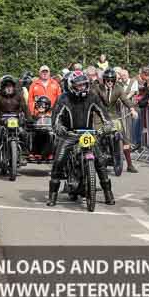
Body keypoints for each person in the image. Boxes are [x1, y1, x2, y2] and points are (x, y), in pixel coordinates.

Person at [46, 72, 115, 207]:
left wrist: (105, 128)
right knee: (58, 161)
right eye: (79, 85)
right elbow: (56, 119)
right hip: (69, 134)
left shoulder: (92, 97)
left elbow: (105, 116)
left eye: (84, 84)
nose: (82, 87)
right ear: (72, 86)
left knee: (100, 161)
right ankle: (52, 196)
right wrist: (60, 129)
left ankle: (108, 194)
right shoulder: (63, 98)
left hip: (88, 134)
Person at [95, 68, 139, 173]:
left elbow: (125, 100)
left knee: (124, 139)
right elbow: (92, 100)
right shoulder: (97, 88)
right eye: (108, 80)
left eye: (112, 80)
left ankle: (129, 164)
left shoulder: (118, 88)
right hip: (99, 116)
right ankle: (98, 161)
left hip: (114, 115)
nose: (110, 82)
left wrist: (132, 109)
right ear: (104, 80)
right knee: (97, 137)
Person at [0, 75, 28, 173]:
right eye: (6, 86)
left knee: (24, 134)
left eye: (11, 86)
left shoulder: (18, 95)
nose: (9, 88)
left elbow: (25, 107)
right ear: (3, 87)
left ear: (13, 86)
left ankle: (23, 155)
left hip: (16, 121)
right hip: (1, 122)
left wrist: (29, 118)